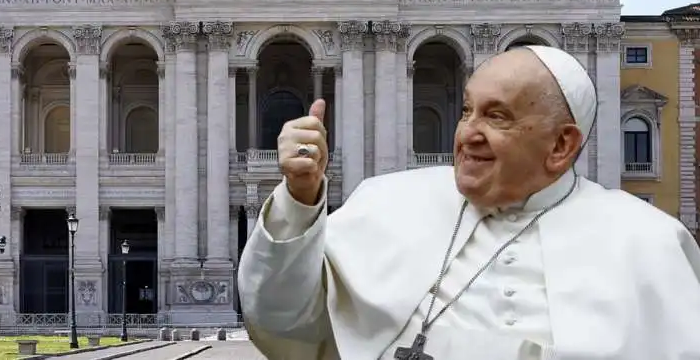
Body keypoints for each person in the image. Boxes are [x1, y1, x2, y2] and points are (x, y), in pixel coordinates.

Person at [238, 46, 700, 360]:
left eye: (496, 116)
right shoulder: (387, 201)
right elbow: (283, 324)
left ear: (562, 145)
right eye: (465, 110)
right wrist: (300, 200)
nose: (467, 134)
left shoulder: (649, 244)